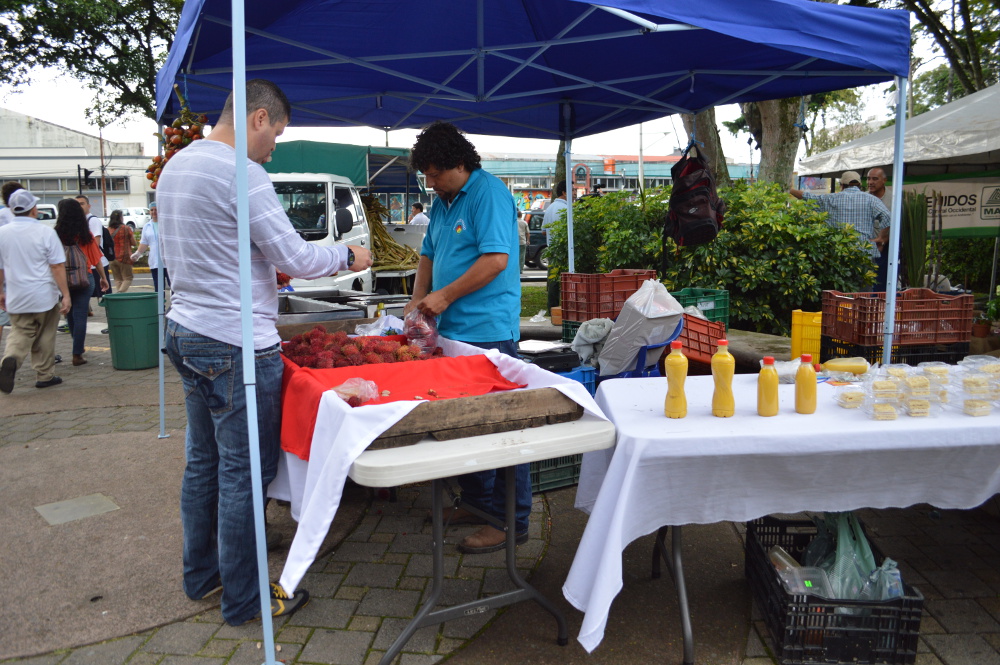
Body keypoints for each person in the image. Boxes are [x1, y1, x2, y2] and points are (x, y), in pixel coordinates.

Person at [157, 78, 372, 627]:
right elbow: (296, 256)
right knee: (242, 474)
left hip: (186, 329)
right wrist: (348, 254)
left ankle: (203, 576)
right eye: (275, 134)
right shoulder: (242, 173)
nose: (274, 147)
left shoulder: (178, 165)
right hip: (235, 343)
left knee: (203, 463)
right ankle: (247, 599)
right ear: (257, 118)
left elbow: (216, 248)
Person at [405, 120, 524, 555]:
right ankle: (477, 503)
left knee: (502, 428)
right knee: (465, 426)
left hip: (488, 332)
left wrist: (445, 295)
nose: (431, 183)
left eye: (436, 174)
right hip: (452, 333)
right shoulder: (444, 201)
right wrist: (417, 304)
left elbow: (495, 260)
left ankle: (511, 522)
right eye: (426, 176)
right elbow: (428, 256)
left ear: (460, 163)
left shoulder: (488, 194)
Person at [0, 189, 71, 394]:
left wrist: (1, 293)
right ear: (33, 209)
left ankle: (11, 357)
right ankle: (44, 375)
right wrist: (65, 295)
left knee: (20, 331)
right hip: (43, 295)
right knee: (45, 335)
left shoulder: (2, 233)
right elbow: (57, 266)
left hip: (16, 294)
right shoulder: (45, 232)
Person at [789, 171, 890, 285]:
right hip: (864, 251)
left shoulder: (831, 199)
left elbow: (807, 197)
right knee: (863, 291)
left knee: (838, 291)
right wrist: (881, 238)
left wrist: (790, 189)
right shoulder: (871, 199)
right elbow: (887, 216)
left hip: (838, 252)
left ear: (842, 185)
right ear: (860, 185)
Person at [54, 198, 109, 366]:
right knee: (80, 315)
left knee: (70, 314)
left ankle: (76, 345)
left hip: (62, 280)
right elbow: (96, 259)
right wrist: (103, 278)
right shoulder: (85, 234)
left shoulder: (55, 234)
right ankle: (77, 353)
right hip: (85, 278)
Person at [75, 195, 113, 303]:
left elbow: (95, 244)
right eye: (77, 204)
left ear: (89, 206)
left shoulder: (93, 220)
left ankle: (110, 315)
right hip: (87, 263)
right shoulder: (79, 221)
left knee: (103, 294)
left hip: (96, 262)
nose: (79, 207)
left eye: (82, 204)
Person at [132, 201, 168, 292]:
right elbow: (144, 242)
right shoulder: (147, 226)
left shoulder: (166, 224)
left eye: (156, 210)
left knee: (173, 285)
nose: (154, 212)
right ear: (149, 212)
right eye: (152, 210)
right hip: (155, 261)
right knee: (158, 287)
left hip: (168, 261)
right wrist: (137, 253)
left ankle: (174, 305)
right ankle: (161, 306)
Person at [543, 181, 568, 312]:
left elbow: (543, 230)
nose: (575, 194)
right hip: (563, 250)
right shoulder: (566, 209)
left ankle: (552, 308)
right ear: (564, 192)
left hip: (551, 249)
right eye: (573, 190)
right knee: (566, 281)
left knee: (553, 281)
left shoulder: (550, 207)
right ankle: (564, 309)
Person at [866, 167, 893, 291]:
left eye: (875, 179)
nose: (870, 182)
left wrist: (882, 241)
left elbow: (895, 225)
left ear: (884, 181)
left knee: (879, 283)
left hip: (885, 247)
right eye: (868, 179)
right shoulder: (863, 198)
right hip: (865, 246)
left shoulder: (893, 200)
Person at [107, 210, 138, 293]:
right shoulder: (126, 228)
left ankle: (120, 297)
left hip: (112, 258)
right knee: (128, 278)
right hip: (124, 257)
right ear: (120, 218)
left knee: (117, 279)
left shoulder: (108, 229)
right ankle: (119, 293)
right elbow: (134, 243)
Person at [517, 209, 528, 274]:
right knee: (522, 256)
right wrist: (528, 240)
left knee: (515, 255)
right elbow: (528, 233)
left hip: (515, 242)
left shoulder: (514, 222)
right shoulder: (524, 222)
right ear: (521, 216)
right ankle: (520, 269)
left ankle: (515, 269)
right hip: (522, 241)